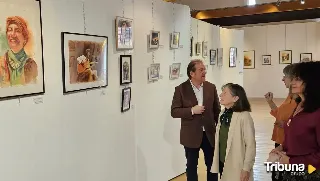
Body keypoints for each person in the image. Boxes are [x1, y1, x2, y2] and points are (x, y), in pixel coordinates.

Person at [171, 59, 220, 181]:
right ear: (192, 73)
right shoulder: (180, 89)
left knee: (212, 166)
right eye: (201, 70)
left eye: (204, 69)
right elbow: (174, 111)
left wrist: (219, 128)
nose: (204, 72)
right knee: (191, 166)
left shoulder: (211, 87)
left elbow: (217, 110)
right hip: (191, 135)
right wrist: (191, 110)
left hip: (209, 133)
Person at [271, 61, 320, 180]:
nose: (292, 82)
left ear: (311, 81)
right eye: (292, 78)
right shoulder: (299, 105)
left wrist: (292, 161)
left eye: (297, 79)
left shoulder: (317, 113)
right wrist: (281, 148)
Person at [210, 83, 256, 181]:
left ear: (235, 98)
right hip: (223, 161)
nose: (221, 95)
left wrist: (246, 168)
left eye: (225, 93)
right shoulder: (222, 114)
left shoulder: (244, 116)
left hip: (237, 164)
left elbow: (251, 145)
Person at [264, 64, 300, 181]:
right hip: (280, 142)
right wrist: (270, 102)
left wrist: (285, 124)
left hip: (288, 145)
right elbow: (279, 115)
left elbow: (300, 124)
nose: (282, 79)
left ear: (294, 79)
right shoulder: (290, 96)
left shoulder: (300, 100)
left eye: (285, 76)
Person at [0, 16, 38, 87]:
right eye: (10, 30)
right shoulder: (1, 62)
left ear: (25, 38)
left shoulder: (31, 64)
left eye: (17, 31)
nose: (12, 34)